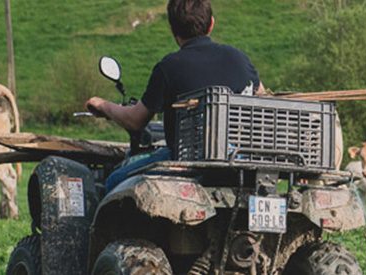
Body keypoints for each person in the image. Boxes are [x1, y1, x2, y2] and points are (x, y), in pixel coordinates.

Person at [85, 0, 262, 191]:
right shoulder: (238, 58)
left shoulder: (169, 67)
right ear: (211, 23)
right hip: (239, 161)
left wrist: (103, 105)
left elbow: (135, 121)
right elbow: (263, 96)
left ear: (172, 30)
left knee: (113, 181)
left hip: (185, 160)